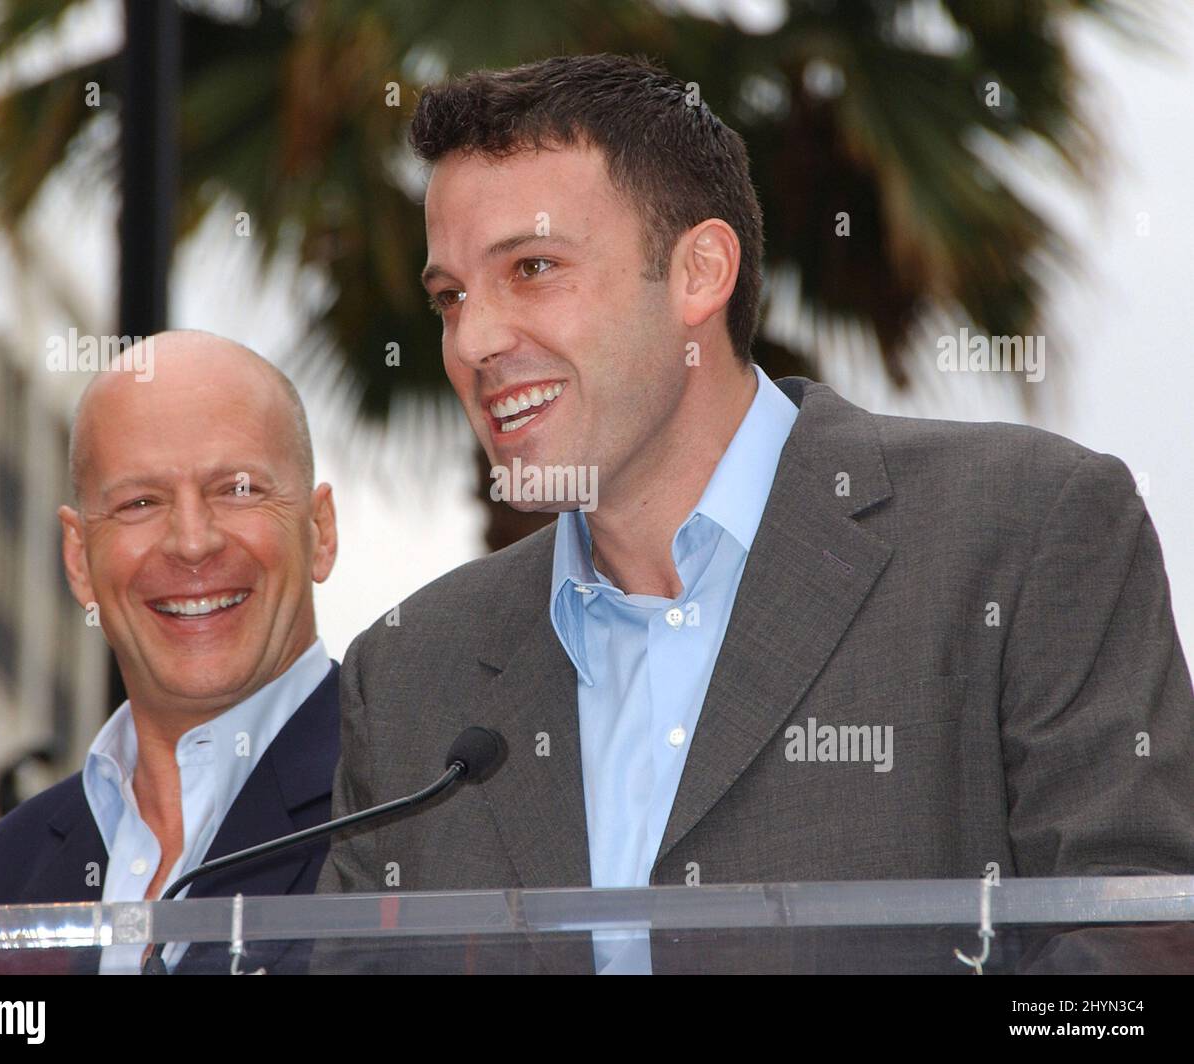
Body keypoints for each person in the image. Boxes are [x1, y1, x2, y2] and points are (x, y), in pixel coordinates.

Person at [312, 54, 1194, 975]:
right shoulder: (411, 670)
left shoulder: (1022, 532)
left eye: (532, 269)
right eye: (450, 296)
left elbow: (1130, 972)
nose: (473, 339)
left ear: (700, 272)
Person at [0, 330, 341, 974]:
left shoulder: (423, 806)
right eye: (140, 502)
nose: (191, 541)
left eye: (236, 489)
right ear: (78, 559)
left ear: (319, 531)